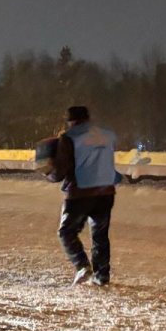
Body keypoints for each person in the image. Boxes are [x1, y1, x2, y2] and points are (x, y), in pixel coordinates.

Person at [48, 105, 119, 286]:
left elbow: (60, 170)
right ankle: (102, 276)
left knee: (66, 232)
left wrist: (49, 173)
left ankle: (82, 266)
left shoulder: (69, 138)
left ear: (71, 120)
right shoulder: (106, 136)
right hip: (106, 191)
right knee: (100, 235)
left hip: (81, 192)